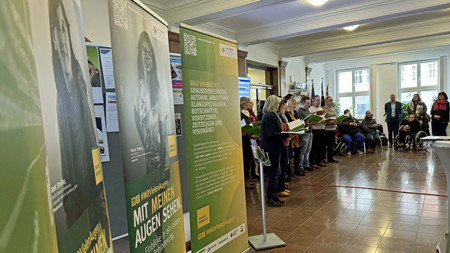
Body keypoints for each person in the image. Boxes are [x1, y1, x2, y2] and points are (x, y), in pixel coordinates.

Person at [49, 0, 110, 243]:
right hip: (75, 202)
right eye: (57, 29)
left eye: (66, 28)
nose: (63, 38)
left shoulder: (82, 81)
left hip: (93, 191)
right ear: (52, 37)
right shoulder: (57, 95)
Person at [260, 95, 292, 207]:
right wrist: (285, 135)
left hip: (274, 147)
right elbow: (270, 133)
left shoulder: (271, 115)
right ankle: (270, 198)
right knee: (273, 173)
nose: (279, 105)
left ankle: (274, 196)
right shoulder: (270, 116)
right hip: (272, 148)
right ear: (274, 104)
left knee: (276, 172)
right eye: (278, 103)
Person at [285, 99, 304, 176]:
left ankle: (297, 169)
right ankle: (289, 171)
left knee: (298, 153)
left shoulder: (295, 113)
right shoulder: (287, 113)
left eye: (295, 104)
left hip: (297, 136)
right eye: (293, 104)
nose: (295, 106)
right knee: (290, 155)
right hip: (291, 136)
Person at [240, 97, 256, 189]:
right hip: (244, 140)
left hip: (249, 138)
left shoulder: (247, 113)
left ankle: (247, 179)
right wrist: (250, 135)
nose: (247, 106)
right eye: (245, 104)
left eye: (248, 104)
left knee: (249, 160)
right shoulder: (240, 114)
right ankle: (245, 181)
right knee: (246, 161)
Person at [277, 100, 291, 197]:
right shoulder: (276, 117)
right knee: (280, 168)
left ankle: (282, 187)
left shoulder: (281, 117)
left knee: (284, 166)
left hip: (285, 143)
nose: (284, 109)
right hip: (280, 144)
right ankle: (279, 188)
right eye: (283, 107)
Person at [297, 96, 314, 172]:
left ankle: (306, 164)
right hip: (304, 132)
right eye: (307, 103)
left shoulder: (307, 110)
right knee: (303, 150)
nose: (308, 105)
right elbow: (301, 123)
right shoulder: (299, 111)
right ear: (302, 103)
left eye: (309, 103)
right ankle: (300, 166)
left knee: (308, 150)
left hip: (310, 131)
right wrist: (308, 123)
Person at [309, 95, 326, 168]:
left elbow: (323, 117)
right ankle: (313, 162)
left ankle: (319, 161)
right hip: (315, 129)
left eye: (319, 100)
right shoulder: (310, 109)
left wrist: (325, 120)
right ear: (313, 101)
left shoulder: (320, 108)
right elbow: (310, 119)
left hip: (322, 128)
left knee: (321, 146)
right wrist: (319, 120)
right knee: (314, 146)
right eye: (317, 100)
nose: (319, 101)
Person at [322, 96, 339, 163]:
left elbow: (335, 118)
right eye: (330, 100)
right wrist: (329, 122)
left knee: (331, 145)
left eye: (332, 100)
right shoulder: (323, 110)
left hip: (333, 129)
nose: (332, 102)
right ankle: (323, 158)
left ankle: (330, 158)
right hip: (326, 129)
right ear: (326, 101)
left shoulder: (333, 110)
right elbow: (322, 120)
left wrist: (337, 121)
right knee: (324, 145)